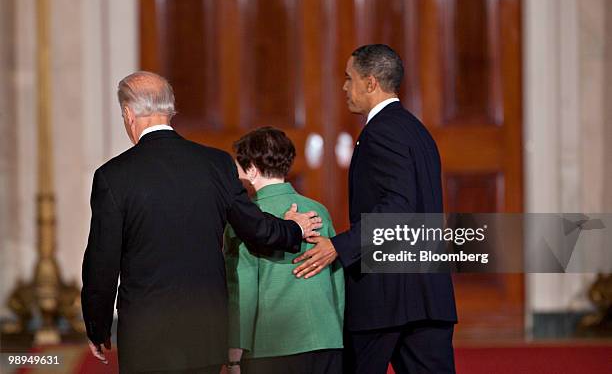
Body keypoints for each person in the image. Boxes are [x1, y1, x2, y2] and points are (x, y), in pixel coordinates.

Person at [81, 71, 322, 373]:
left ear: (128, 114)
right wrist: (294, 228)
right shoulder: (216, 164)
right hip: (205, 332)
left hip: (146, 336)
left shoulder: (113, 176)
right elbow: (255, 228)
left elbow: (102, 263)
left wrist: (97, 326)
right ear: (171, 111)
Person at [293, 45, 458, 373]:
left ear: (370, 83)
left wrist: (337, 247)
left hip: (387, 297)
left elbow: (398, 207)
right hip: (426, 296)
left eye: (348, 78)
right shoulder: (416, 130)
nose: (344, 87)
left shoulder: (382, 132)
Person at [224, 127, 344, 374]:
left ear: (252, 169)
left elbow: (242, 288)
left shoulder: (246, 219)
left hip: (270, 345)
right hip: (326, 339)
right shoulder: (319, 211)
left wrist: (234, 355)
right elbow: (337, 281)